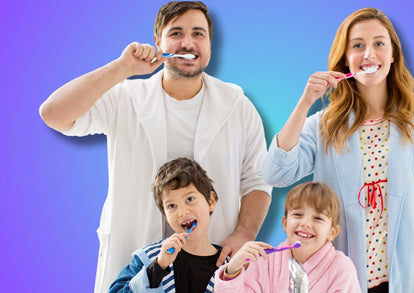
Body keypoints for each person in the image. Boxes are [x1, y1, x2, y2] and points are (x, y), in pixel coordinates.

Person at [39, 2, 271, 293]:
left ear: (210, 45)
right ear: (158, 42)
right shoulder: (124, 98)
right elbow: (53, 114)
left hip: (211, 265)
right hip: (136, 262)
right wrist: (122, 68)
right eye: (176, 33)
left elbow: (258, 181)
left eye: (198, 34)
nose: (188, 42)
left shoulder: (237, 106)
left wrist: (244, 233)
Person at [262, 7, 414, 293]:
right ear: (345, 60)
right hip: (337, 280)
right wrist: (305, 103)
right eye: (358, 45)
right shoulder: (322, 126)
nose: (369, 54)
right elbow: (276, 173)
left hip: (405, 281)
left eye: (379, 44)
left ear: (393, 55)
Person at [213, 182, 362, 293]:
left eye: (318, 218)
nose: (305, 223)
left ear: (332, 232)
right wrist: (232, 270)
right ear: (285, 223)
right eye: (297, 215)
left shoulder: (341, 268)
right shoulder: (265, 261)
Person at [110, 158, 228, 293]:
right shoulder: (149, 258)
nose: (182, 212)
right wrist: (158, 267)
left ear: (211, 200)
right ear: (165, 216)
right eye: (172, 206)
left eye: (190, 199)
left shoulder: (231, 267)